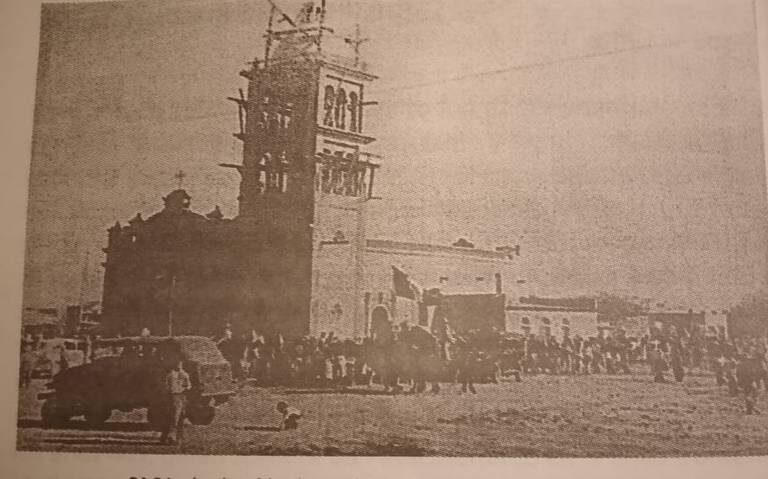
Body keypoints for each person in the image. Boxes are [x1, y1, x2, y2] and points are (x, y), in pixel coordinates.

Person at [160, 360, 191, 445]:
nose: (179, 366)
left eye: (180, 364)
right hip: (173, 396)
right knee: (174, 418)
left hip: (182, 396)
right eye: (177, 364)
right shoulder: (170, 375)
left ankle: (178, 439)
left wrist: (184, 387)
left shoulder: (184, 374)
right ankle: (169, 438)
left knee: (180, 418)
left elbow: (188, 386)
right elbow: (166, 387)